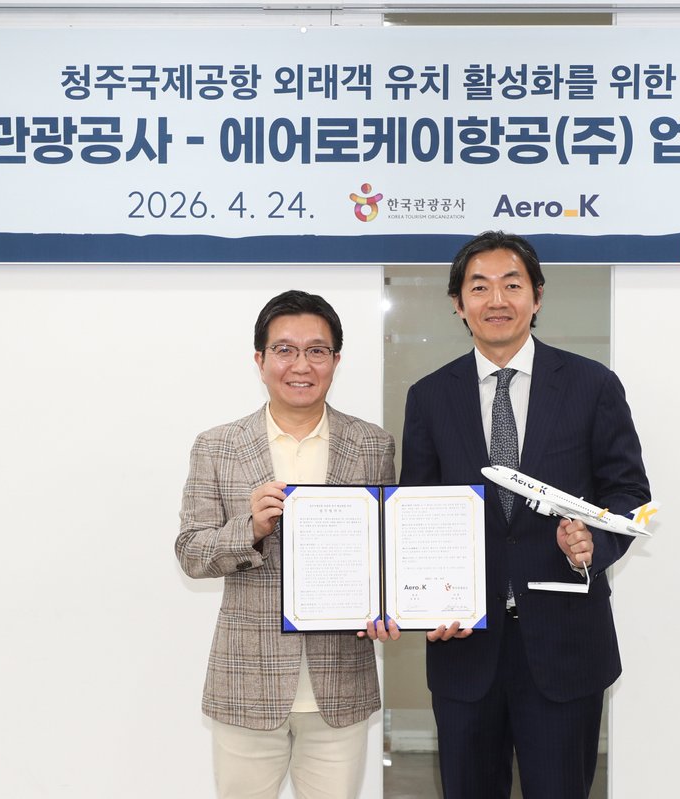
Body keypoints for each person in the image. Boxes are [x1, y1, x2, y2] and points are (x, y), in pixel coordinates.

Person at [400, 232, 651, 799]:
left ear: (537, 296)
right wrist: (424, 600)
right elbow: (417, 510)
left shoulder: (591, 385)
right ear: (457, 303)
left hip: (565, 644)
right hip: (465, 645)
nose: (497, 300)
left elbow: (629, 491)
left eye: (512, 285)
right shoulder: (430, 396)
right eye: (479, 287)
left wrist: (595, 544)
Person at [176, 289, 398, 799]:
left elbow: (386, 551)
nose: (301, 365)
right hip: (246, 684)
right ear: (260, 360)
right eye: (284, 350)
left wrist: (390, 606)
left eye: (317, 350)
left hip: (340, 682)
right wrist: (249, 529)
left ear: (336, 360)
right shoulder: (217, 446)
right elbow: (190, 551)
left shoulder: (372, 444)